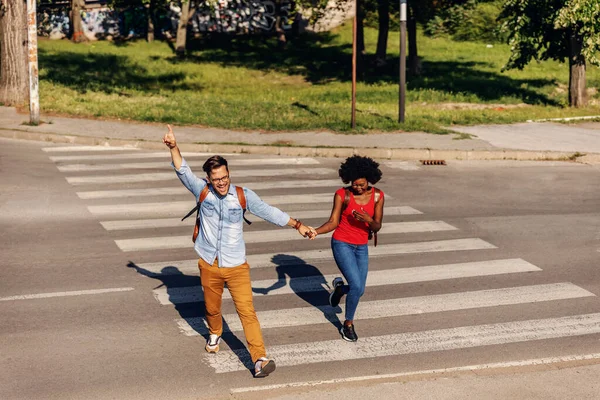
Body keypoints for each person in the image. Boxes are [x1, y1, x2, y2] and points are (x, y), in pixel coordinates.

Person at [162, 124, 312, 377]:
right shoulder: (202, 191)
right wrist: (174, 147)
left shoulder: (242, 196)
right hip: (209, 263)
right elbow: (182, 170)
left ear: (229, 174)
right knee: (212, 308)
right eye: (216, 179)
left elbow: (269, 211)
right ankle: (215, 332)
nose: (221, 183)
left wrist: (297, 224)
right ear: (208, 179)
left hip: (237, 266)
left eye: (225, 177)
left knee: (247, 312)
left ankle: (259, 359)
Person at [307, 155, 385, 342]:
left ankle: (341, 290)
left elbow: (377, 227)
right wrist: (316, 231)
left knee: (359, 290)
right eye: (355, 184)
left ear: (369, 180)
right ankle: (347, 324)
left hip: (361, 246)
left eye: (362, 184)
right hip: (342, 242)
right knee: (357, 286)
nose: (358, 188)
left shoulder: (377, 196)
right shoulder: (342, 195)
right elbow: (333, 222)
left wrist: (367, 219)